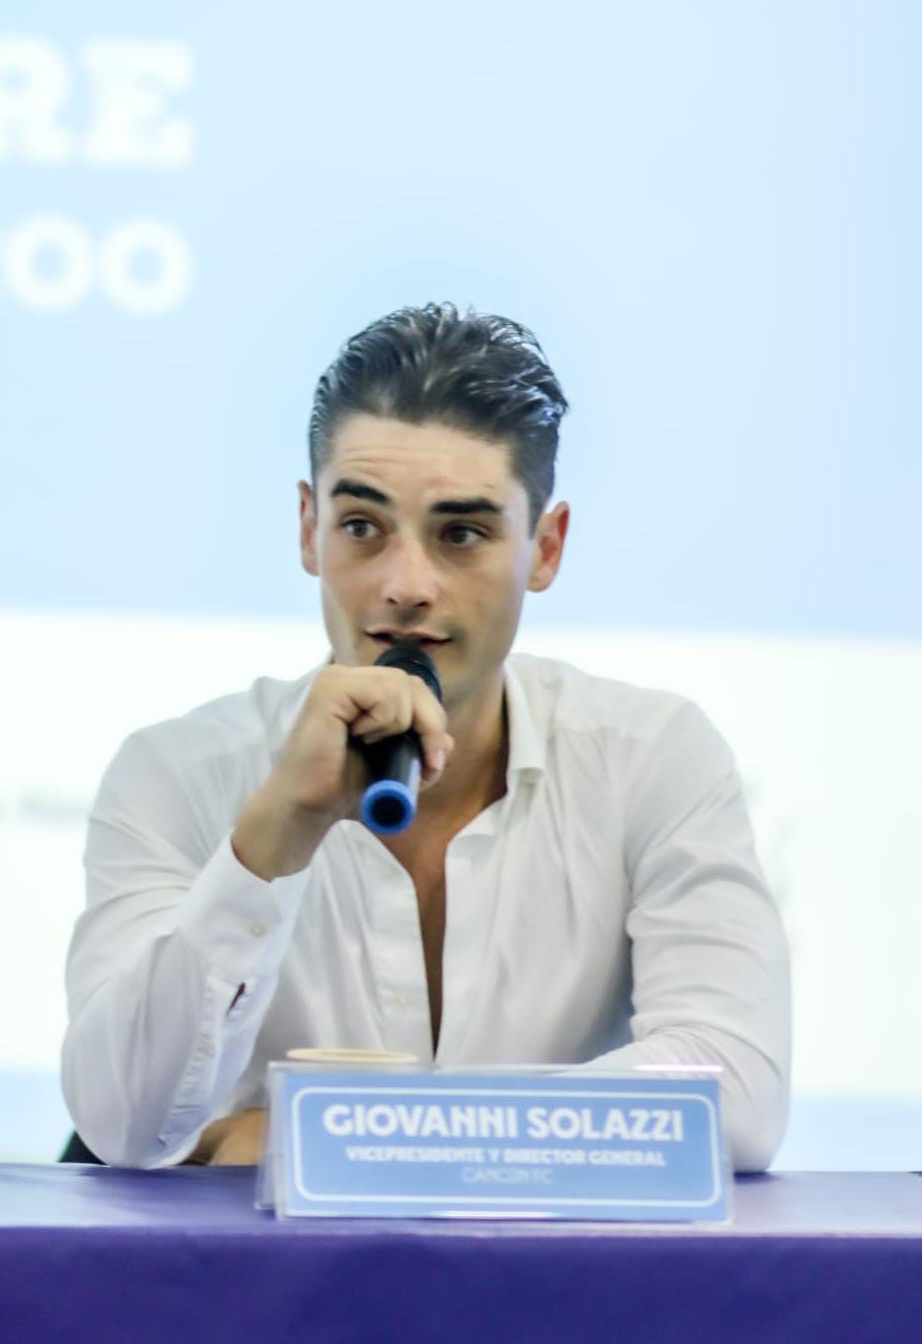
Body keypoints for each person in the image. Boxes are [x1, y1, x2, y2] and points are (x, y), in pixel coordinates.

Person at [61, 302, 790, 1171]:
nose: (406, 585)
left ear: (545, 548)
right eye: (361, 527)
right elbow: (121, 1126)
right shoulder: (174, 773)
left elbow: (736, 1093)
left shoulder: (654, 758)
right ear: (309, 529)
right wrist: (269, 841)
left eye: (462, 535)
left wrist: (323, 1134)